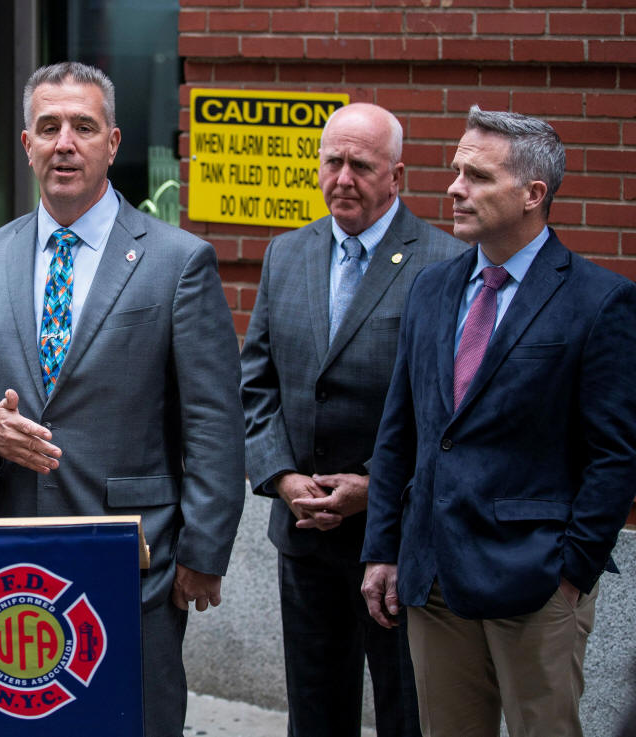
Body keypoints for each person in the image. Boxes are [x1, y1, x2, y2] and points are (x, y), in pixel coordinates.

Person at [0, 61, 244, 737]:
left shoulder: (177, 260)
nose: (65, 143)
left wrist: (205, 550)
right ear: (27, 145)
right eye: (49, 127)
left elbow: (214, 420)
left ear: (113, 141)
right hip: (12, 558)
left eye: (83, 126)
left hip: (136, 559)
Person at [361, 106, 636, 737]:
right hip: (433, 579)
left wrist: (572, 573)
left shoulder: (599, 300)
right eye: (456, 171)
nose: (454, 188)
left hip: (535, 583)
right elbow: (400, 431)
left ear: (533, 194)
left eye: (477, 176)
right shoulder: (431, 289)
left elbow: (617, 455)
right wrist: (382, 549)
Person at [240, 102, 461, 737]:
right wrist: (282, 477)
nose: (343, 178)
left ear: (396, 175)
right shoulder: (287, 254)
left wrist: (376, 487)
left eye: (360, 165)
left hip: (396, 538)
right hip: (304, 532)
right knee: (315, 713)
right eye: (332, 162)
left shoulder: (444, 263)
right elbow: (255, 384)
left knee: (406, 711)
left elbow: (445, 410)